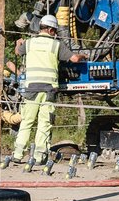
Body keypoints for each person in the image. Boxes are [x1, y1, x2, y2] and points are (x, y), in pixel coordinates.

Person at [11, 14, 84, 165]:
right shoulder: (56, 45)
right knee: (45, 123)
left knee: (26, 121)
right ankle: (39, 157)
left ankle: (17, 154)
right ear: (51, 30)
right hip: (49, 90)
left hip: (31, 88)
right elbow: (74, 59)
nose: (56, 34)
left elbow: (17, 52)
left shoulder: (29, 43)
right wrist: (83, 55)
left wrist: (18, 43)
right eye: (55, 31)